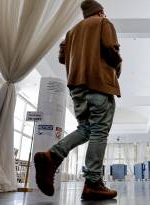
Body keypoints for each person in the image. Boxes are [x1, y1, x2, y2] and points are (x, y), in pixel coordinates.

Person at [34, 0, 122, 200]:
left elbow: (62, 58)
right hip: (98, 83)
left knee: (86, 129)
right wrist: (117, 66)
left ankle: (52, 156)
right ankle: (93, 182)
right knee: (99, 131)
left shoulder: (71, 32)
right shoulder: (103, 23)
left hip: (76, 86)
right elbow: (110, 48)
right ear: (100, 12)